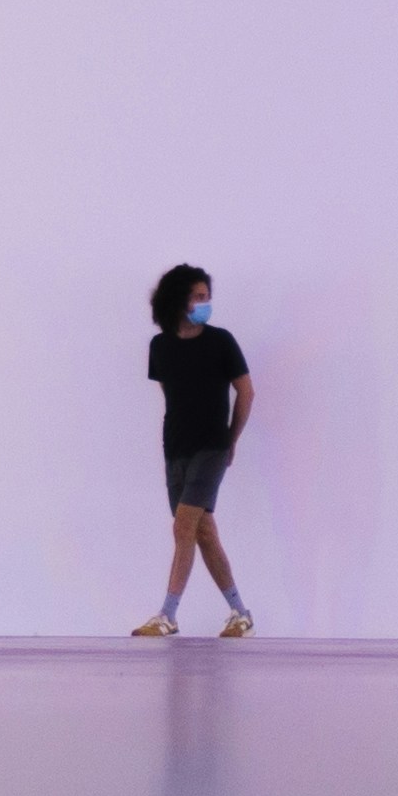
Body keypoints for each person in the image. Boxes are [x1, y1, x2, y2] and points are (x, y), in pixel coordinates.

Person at [135, 263, 254, 638]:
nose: (206, 303)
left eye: (208, 297)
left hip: (212, 447)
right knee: (202, 532)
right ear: (178, 299)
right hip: (176, 449)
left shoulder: (221, 341)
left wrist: (230, 441)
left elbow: (246, 391)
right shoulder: (160, 346)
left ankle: (167, 615)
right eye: (199, 296)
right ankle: (240, 613)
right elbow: (173, 396)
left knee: (183, 525)